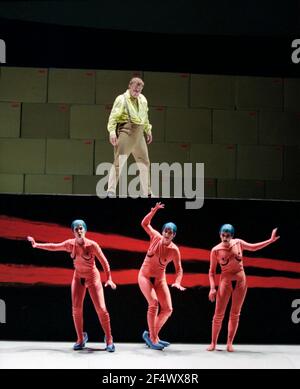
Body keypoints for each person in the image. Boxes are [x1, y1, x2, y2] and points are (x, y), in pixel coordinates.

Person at [27, 219, 116, 352]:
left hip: (92, 278)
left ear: (85, 230)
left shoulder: (92, 245)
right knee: (76, 309)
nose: (79, 231)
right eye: (76, 229)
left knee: (102, 309)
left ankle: (109, 338)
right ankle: (80, 338)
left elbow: (104, 261)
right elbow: (54, 246)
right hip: (78, 277)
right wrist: (36, 245)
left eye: (81, 228)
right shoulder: (70, 244)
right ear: (73, 232)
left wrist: (109, 278)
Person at [207, 224, 280, 352]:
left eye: (228, 235)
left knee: (235, 313)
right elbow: (212, 271)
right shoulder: (215, 250)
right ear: (220, 234)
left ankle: (229, 343)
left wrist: (270, 240)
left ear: (232, 236)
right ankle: (213, 343)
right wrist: (212, 288)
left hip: (241, 280)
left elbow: (253, 247)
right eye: (223, 235)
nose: (225, 238)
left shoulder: (238, 243)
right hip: (225, 280)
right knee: (218, 314)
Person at [139, 202, 186, 350]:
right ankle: (153, 338)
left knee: (168, 309)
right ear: (163, 231)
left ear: (174, 235)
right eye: (166, 230)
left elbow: (179, 270)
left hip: (160, 279)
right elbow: (145, 224)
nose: (167, 234)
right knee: (153, 303)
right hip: (145, 276)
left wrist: (178, 282)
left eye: (171, 232)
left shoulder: (174, 250)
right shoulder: (156, 237)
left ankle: (152, 335)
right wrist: (153, 212)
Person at [107, 77, 152, 197]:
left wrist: (148, 130)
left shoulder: (143, 99)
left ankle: (147, 191)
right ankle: (111, 190)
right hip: (126, 131)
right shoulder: (121, 99)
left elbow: (145, 116)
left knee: (144, 162)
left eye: (139, 89)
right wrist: (112, 132)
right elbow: (113, 117)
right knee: (119, 161)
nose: (137, 91)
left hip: (139, 133)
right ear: (130, 86)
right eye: (135, 88)